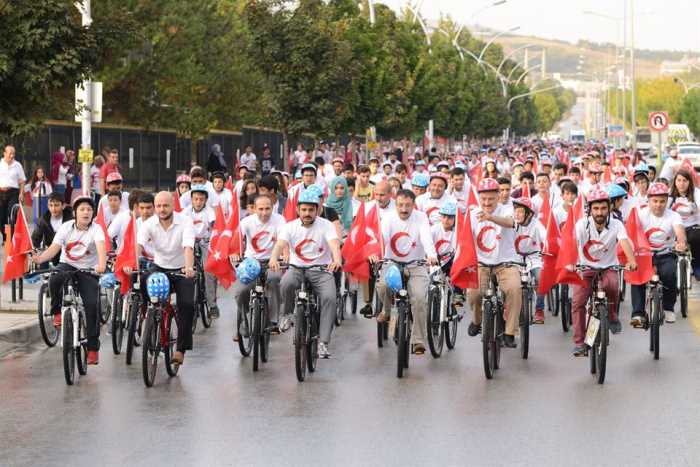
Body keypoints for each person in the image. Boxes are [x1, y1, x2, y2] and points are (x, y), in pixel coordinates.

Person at [31, 196, 107, 364]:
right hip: (68, 265)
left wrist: (101, 265)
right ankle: (57, 311)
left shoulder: (97, 229)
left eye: (89, 209)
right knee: (54, 278)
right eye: (82, 209)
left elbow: (102, 247)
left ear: (92, 213)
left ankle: (93, 348)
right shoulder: (66, 227)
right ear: (75, 213)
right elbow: (54, 248)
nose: (86, 212)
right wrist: (40, 258)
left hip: (89, 270)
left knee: (92, 305)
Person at [269, 190, 342, 359]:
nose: (307, 213)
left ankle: (323, 342)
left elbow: (334, 245)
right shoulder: (290, 227)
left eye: (311, 210)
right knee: (285, 283)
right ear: (298, 210)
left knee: (330, 298)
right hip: (297, 269)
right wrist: (274, 258)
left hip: (321, 271)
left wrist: (336, 259)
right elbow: (280, 245)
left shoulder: (326, 225)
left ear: (317, 210)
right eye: (304, 210)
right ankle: (287, 314)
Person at [133, 192, 196, 366]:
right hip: (159, 267)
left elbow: (188, 247)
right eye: (158, 206)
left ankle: (181, 349)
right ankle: (148, 315)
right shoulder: (149, 224)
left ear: (173, 205)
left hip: (182, 269)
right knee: (141, 281)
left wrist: (189, 268)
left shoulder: (185, 221)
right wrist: (133, 263)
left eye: (165, 205)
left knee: (187, 306)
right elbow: (139, 245)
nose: (162, 209)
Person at [571, 189, 637, 356]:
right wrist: (570, 264)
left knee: (613, 285)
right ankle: (580, 342)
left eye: (603, 208)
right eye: (596, 209)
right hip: (585, 268)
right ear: (590, 210)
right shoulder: (581, 225)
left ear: (608, 208)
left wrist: (632, 261)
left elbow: (624, 242)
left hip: (608, 267)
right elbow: (572, 244)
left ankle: (613, 316)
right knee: (578, 302)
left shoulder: (617, 224)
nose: (599, 212)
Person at [372, 189, 437, 355]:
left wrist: (431, 255)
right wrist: (376, 252)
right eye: (400, 205)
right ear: (396, 204)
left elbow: (426, 238)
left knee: (420, 298)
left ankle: (418, 341)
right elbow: (383, 238)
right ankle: (386, 311)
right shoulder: (388, 218)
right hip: (391, 263)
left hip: (416, 264)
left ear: (413, 205)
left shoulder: (421, 217)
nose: (404, 209)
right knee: (383, 285)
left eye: (408, 205)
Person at [466, 178, 521, 349]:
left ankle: (510, 332)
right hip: (481, 264)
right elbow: (464, 239)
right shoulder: (473, 213)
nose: (487, 202)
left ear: (498, 196)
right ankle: (476, 321)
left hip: (506, 263)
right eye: (483, 199)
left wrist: (491, 217)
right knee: (474, 294)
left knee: (514, 289)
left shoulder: (508, 209)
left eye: (491, 198)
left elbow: (511, 223)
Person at [631, 182, 687, 325]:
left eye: (662, 201)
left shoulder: (673, 215)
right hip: (644, 255)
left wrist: (681, 243)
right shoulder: (641, 214)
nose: (658, 205)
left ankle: (668, 308)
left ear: (667, 201)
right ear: (648, 200)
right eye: (655, 201)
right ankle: (638, 314)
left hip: (665, 254)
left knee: (669, 274)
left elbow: (679, 231)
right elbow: (632, 233)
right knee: (638, 277)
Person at [231, 194, 285, 339]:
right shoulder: (246, 222)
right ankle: (243, 321)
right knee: (241, 292)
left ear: (273, 207)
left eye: (268, 208)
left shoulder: (279, 220)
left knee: (274, 280)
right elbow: (237, 241)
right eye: (260, 209)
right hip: (251, 262)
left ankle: (273, 321)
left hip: (272, 261)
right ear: (254, 209)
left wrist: (284, 255)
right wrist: (235, 252)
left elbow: (283, 240)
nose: (264, 212)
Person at [183, 184, 220, 318]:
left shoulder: (209, 211)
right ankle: (187, 301)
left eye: (201, 199)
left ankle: (212, 305)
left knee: (209, 271)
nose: (198, 202)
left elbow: (215, 225)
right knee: (185, 270)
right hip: (190, 243)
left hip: (206, 243)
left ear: (205, 200)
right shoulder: (186, 212)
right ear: (191, 199)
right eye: (196, 199)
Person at [511, 197, 547, 323]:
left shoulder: (536, 224)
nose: (517, 214)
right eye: (515, 211)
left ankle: (539, 309)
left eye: (520, 211)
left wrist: (548, 245)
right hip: (515, 257)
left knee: (541, 279)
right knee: (509, 283)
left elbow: (545, 236)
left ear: (529, 213)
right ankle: (507, 307)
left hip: (534, 257)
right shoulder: (511, 222)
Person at [668, 170, 700, 280]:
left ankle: (696, 265)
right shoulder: (670, 195)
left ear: (689, 182)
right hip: (675, 227)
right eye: (679, 180)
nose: (681, 183)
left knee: (695, 238)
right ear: (675, 182)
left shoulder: (696, 193)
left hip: (693, 226)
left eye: (684, 181)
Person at [31, 192, 73, 266]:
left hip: (69, 251)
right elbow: (35, 239)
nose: (53, 209)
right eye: (51, 205)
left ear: (63, 206)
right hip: (52, 252)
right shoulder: (43, 220)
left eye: (56, 205)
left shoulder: (72, 219)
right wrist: (34, 252)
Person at [0, 145, 26, 243]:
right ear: (5, 153)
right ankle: (5, 236)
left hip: (13, 192)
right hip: (1, 192)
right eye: (10, 153)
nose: (12, 155)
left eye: (13, 153)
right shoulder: (0, 163)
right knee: (1, 218)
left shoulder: (17, 165)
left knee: (12, 214)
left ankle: (11, 239)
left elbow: (22, 181)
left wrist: (21, 193)